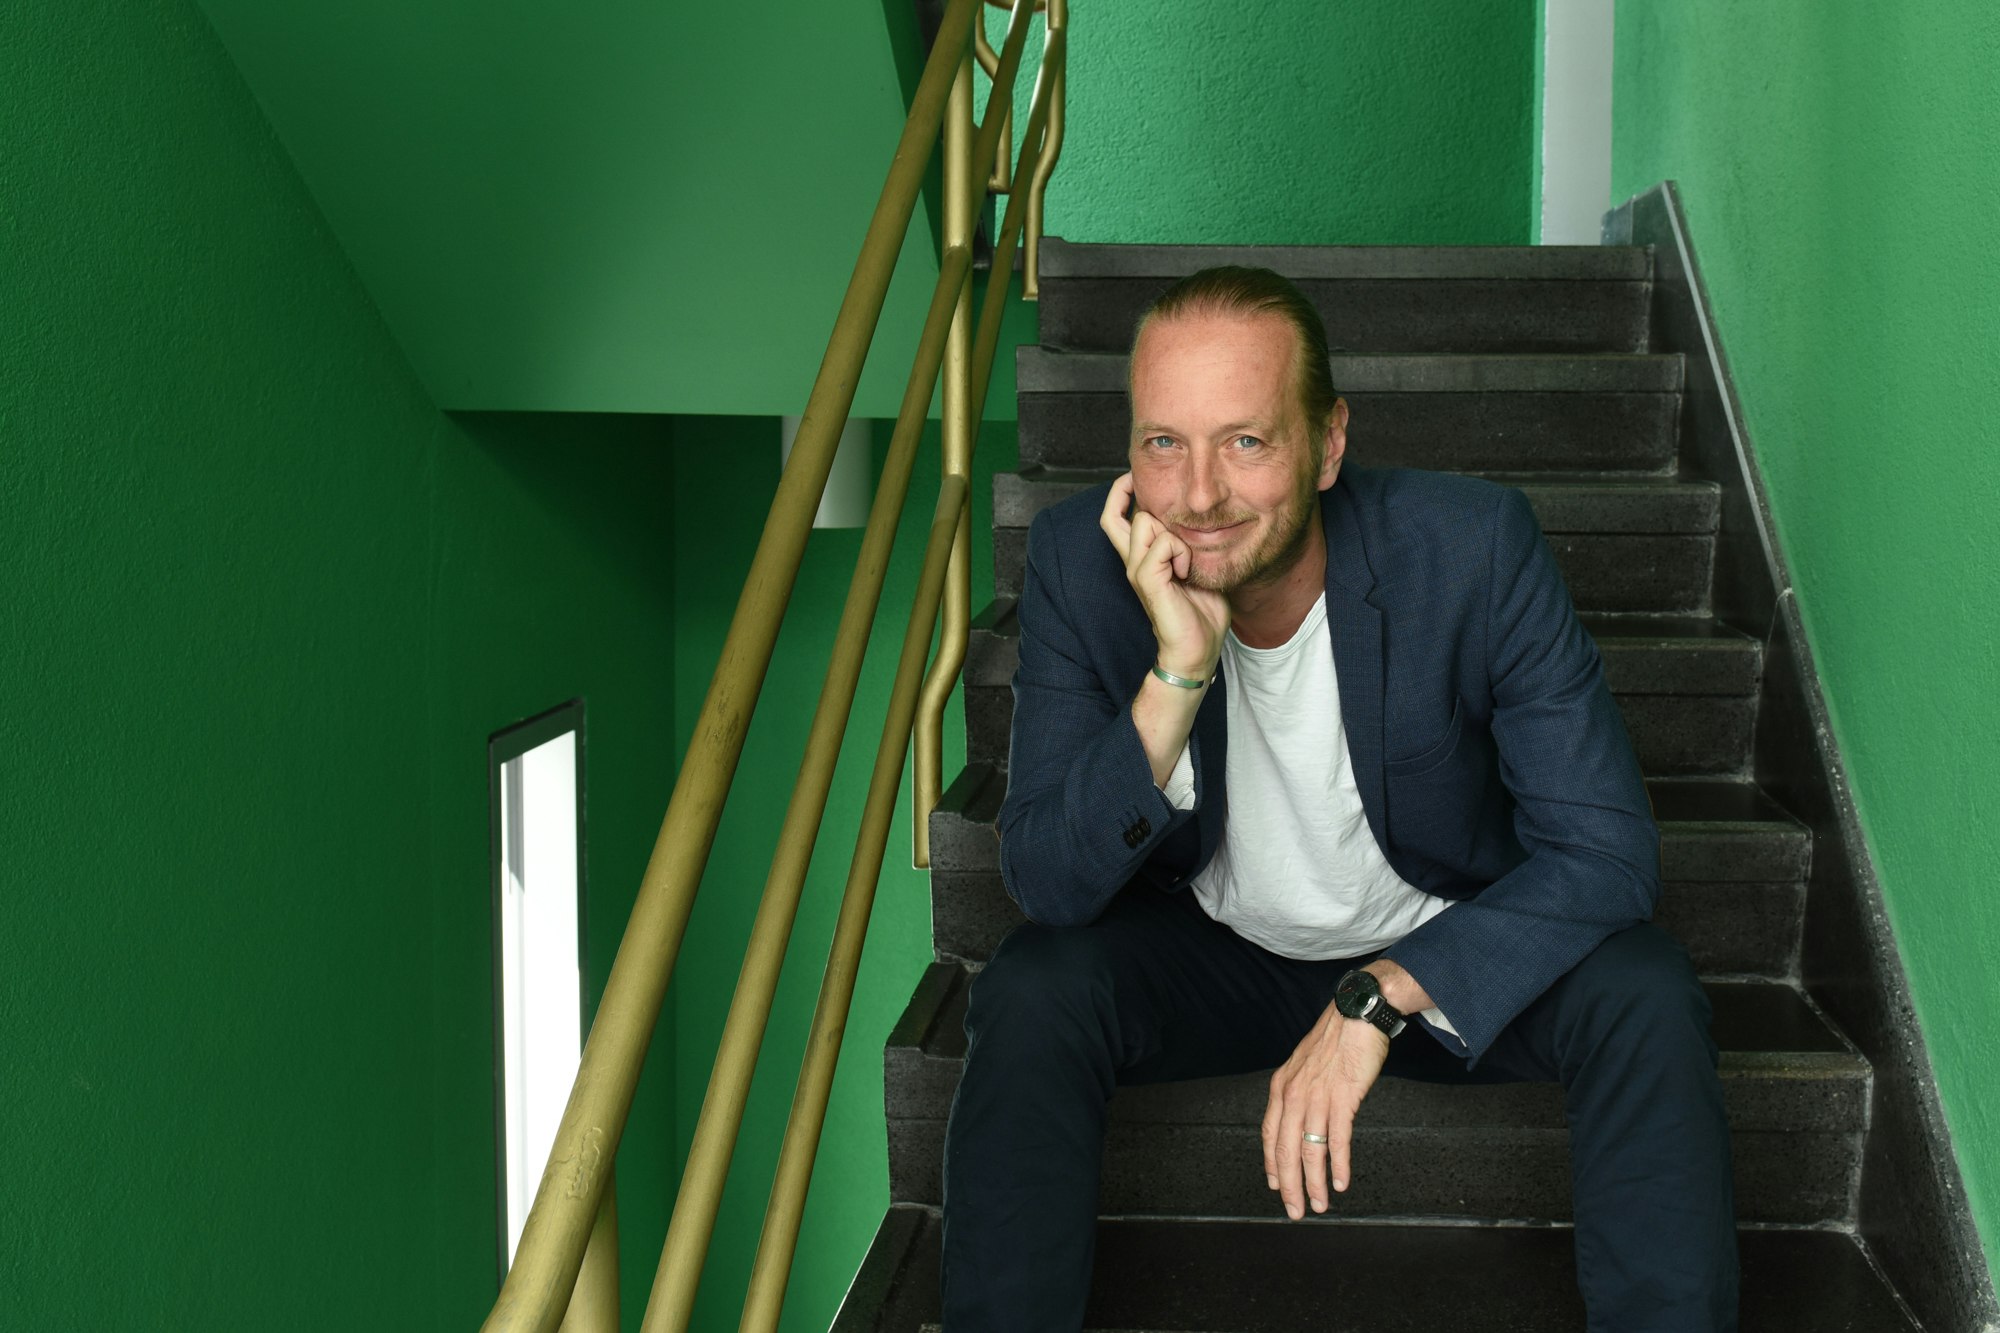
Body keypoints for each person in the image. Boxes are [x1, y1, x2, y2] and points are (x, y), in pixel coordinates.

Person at [939, 267, 1738, 1331]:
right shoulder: (1080, 567)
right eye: (1161, 442)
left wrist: (1385, 990)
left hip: (1430, 940)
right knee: (1032, 988)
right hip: (1218, 955)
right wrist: (1174, 674)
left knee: (1643, 986)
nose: (1196, 495)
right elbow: (1044, 876)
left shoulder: (1468, 550)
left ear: (1326, 444)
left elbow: (1603, 854)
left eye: (1246, 441)